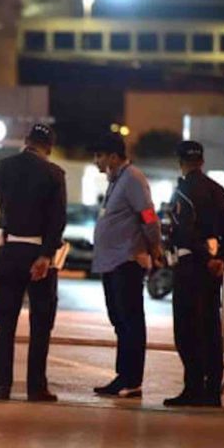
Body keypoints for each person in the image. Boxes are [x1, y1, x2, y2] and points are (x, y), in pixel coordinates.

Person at [0, 124, 67, 402]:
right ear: (49, 147)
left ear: (26, 141)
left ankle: (2, 385)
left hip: (9, 250)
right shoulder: (54, 174)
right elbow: (57, 220)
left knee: (6, 322)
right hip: (38, 253)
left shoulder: (3, 167)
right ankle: (36, 387)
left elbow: (4, 205)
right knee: (40, 323)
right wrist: (46, 255)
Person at [164, 141, 224, 407]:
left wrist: (203, 257)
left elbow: (182, 232)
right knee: (210, 328)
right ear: (202, 161)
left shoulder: (182, 191)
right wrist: (221, 259)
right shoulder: (218, 190)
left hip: (189, 266)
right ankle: (212, 390)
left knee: (186, 329)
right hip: (212, 270)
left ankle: (193, 387)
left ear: (180, 162)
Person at [89, 134, 163, 399]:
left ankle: (133, 380)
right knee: (119, 320)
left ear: (113, 157)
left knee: (130, 320)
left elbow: (148, 215)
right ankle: (123, 376)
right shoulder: (116, 181)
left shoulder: (132, 178)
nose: (96, 161)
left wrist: (155, 247)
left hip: (127, 260)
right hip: (112, 262)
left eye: (99, 156)